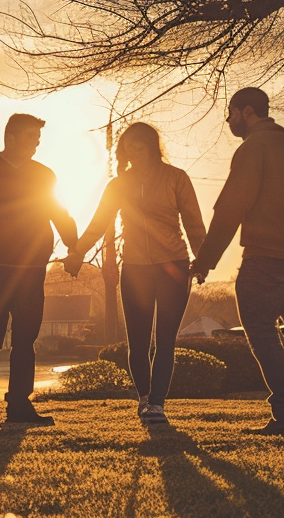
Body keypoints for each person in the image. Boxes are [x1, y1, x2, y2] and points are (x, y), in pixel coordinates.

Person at [189, 88, 284, 434]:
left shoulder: (253, 148)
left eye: (230, 113)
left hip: (266, 253)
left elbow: (232, 206)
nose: (229, 121)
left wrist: (204, 260)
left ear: (247, 112)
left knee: (260, 328)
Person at [72, 122, 205, 427]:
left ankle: (157, 405)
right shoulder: (118, 185)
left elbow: (195, 224)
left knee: (166, 340)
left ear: (152, 145)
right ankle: (144, 398)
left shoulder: (176, 178)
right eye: (128, 146)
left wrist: (204, 260)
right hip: (134, 269)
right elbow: (98, 223)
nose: (133, 151)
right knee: (138, 342)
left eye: (139, 145)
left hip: (173, 265)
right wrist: (78, 252)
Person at [0, 113, 78, 426]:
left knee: (25, 340)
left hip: (31, 271)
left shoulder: (44, 175)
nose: (36, 144)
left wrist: (74, 246)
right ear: (11, 137)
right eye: (30, 138)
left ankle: (19, 408)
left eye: (38, 139)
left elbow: (58, 213)